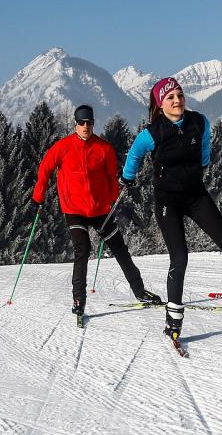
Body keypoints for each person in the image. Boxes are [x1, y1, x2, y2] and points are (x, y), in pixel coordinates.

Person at [121, 77, 222, 342]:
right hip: (168, 202)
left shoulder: (199, 122)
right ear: (160, 104)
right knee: (180, 257)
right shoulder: (151, 134)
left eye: (180, 95)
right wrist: (127, 178)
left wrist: (200, 167)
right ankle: (173, 317)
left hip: (196, 196)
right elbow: (134, 156)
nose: (177, 101)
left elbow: (205, 150)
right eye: (170, 97)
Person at [33, 103, 161, 320]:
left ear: (93, 124)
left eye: (89, 123)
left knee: (120, 249)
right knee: (83, 249)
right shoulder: (63, 147)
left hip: (101, 210)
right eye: (81, 123)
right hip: (74, 209)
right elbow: (45, 168)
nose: (85, 126)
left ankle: (140, 292)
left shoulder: (104, 148)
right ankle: (78, 300)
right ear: (75, 124)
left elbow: (112, 178)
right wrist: (39, 197)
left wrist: (111, 199)